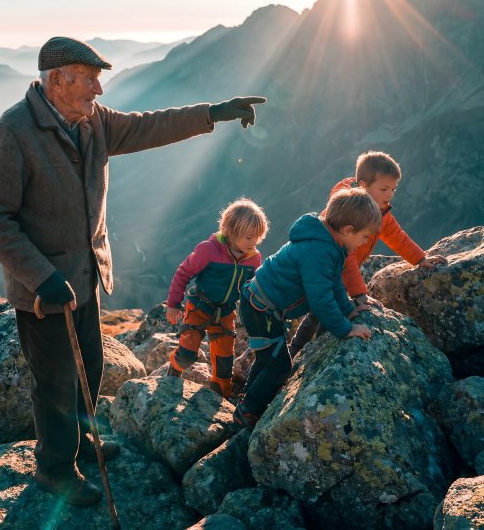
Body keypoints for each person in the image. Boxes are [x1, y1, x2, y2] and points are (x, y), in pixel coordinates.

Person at [0, 36, 267, 507]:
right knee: (54, 380)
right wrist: (39, 275)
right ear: (57, 79)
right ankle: (54, 469)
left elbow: (151, 126)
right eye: (89, 79)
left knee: (89, 366)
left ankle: (81, 443)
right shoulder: (13, 133)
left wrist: (214, 112)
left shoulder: (91, 122)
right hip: (45, 291)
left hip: (87, 277)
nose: (99, 90)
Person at [233, 188, 382, 428]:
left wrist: (347, 309)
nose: (365, 243)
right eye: (365, 237)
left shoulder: (330, 245)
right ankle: (248, 410)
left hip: (262, 304)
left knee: (268, 356)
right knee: (281, 367)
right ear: (348, 230)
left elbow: (333, 282)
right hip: (261, 308)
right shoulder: (319, 250)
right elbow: (320, 298)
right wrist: (346, 328)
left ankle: (249, 398)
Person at [288, 150, 448, 358]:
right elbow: (347, 258)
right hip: (326, 267)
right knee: (319, 308)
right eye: (384, 189)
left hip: (341, 273)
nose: (389, 194)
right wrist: (360, 295)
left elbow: (397, 236)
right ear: (363, 185)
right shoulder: (347, 213)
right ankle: (299, 352)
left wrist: (420, 258)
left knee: (323, 310)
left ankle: (314, 349)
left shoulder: (380, 211)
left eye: (393, 189)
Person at [165, 198, 269, 398]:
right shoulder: (208, 250)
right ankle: (175, 367)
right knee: (187, 354)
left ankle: (220, 396)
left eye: (257, 238)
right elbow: (183, 273)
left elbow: (255, 286)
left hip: (226, 312)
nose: (253, 243)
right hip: (200, 307)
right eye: (249, 237)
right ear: (232, 231)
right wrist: (173, 304)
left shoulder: (253, 258)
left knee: (224, 362)